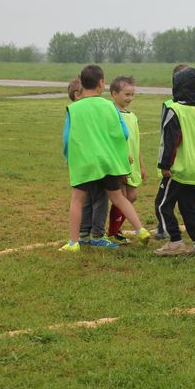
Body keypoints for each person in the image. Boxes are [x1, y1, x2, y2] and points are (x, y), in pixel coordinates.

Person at [61, 65, 150, 251]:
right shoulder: (110, 106)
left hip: (85, 162)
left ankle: (74, 243)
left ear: (82, 83)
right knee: (118, 197)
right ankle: (140, 230)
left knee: (77, 200)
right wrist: (122, 155)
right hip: (108, 161)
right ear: (101, 83)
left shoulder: (74, 108)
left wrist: (69, 157)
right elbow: (124, 133)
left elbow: (67, 138)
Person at [154, 67, 195, 257]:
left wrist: (164, 166)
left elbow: (171, 140)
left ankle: (175, 241)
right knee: (191, 208)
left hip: (178, 169)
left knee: (162, 205)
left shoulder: (174, 110)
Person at [68, 76, 113, 248]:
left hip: (84, 163)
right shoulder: (82, 111)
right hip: (97, 163)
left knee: (86, 198)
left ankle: (83, 233)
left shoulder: (76, 111)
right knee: (100, 198)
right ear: (77, 94)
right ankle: (97, 235)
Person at [106, 76, 146, 245]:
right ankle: (113, 232)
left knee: (132, 196)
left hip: (133, 165)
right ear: (114, 94)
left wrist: (141, 165)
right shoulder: (111, 114)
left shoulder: (132, 116)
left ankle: (115, 229)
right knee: (121, 196)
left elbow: (136, 143)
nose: (130, 98)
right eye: (126, 94)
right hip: (120, 163)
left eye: (132, 94)